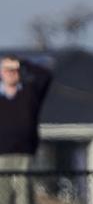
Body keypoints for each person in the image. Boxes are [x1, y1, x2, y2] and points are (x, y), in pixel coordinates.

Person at [0, 55, 52, 204]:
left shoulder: (30, 93)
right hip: (1, 156)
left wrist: (22, 63)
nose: (11, 73)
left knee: (24, 196)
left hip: (25, 155)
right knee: (2, 196)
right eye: (7, 70)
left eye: (14, 70)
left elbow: (45, 76)